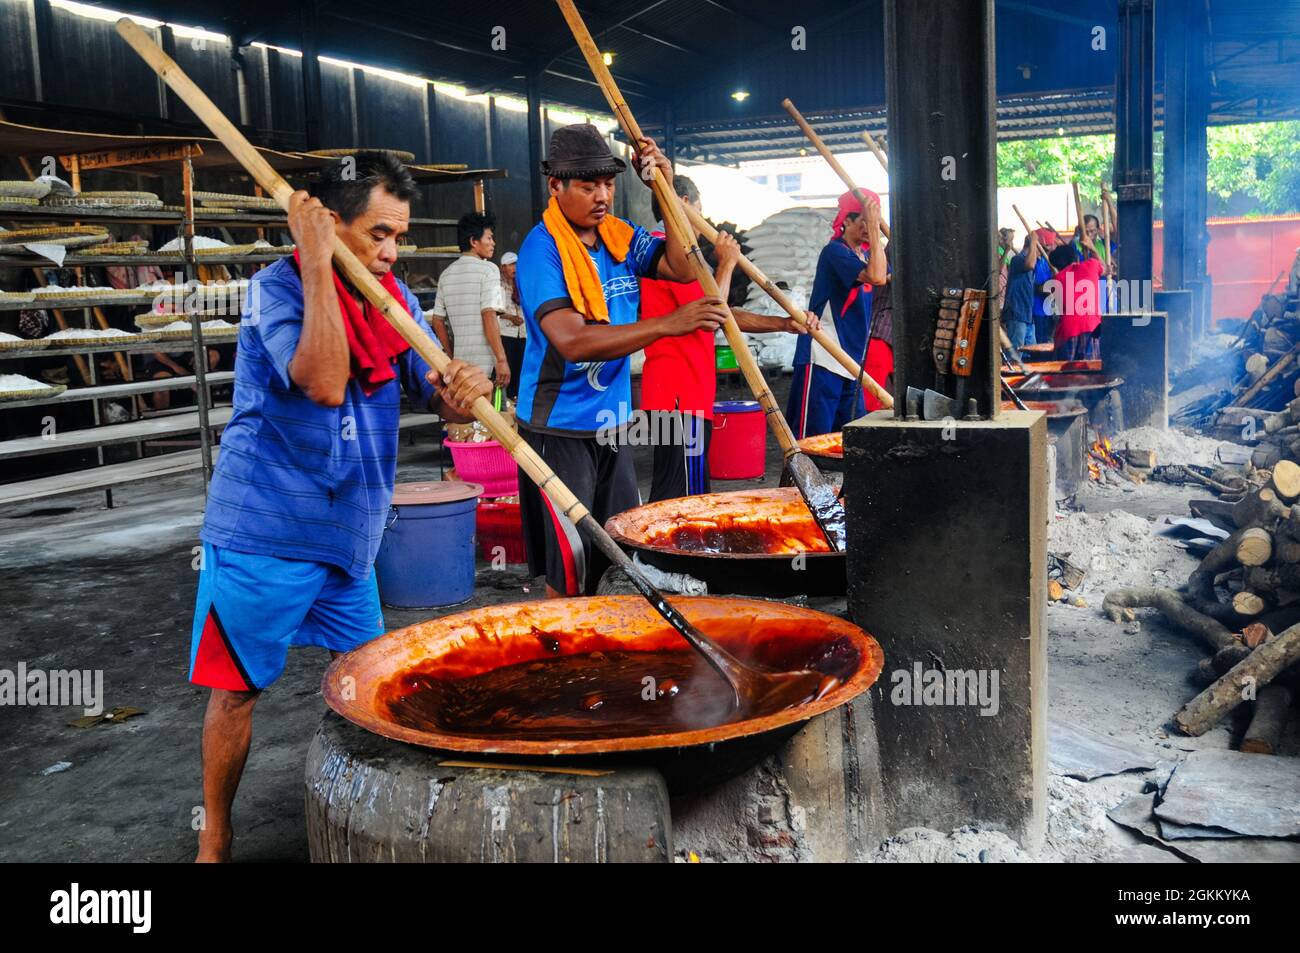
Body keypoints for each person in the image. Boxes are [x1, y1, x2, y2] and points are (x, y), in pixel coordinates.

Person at [189, 152, 491, 862]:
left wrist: (460, 388)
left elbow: (436, 397)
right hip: (265, 529)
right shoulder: (275, 289)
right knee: (237, 693)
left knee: (366, 684)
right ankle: (215, 835)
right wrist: (320, 263)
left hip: (350, 536)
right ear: (329, 225)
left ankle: (366, 819)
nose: (389, 252)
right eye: (376, 234)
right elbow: (323, 381)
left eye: (400, 237)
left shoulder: (396, 299)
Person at [514, 123, 725, 597]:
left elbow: (682, 266)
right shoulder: (540, 250)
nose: (601, 196)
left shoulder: (619, 237)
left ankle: (602, 642)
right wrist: (668, 324)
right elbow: (571, 340)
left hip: (611, 422)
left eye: (608, 184)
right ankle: (564, 656)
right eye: (588, 186)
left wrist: (664, 191)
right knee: (569, 566)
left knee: (619, 542)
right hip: (558, 428)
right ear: (556, 186)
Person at [639, 174, 817, 501]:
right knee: (682, 496)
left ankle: (660, 551)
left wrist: (782, 324)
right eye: (699, 209)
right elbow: (712, 315)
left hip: (682, 393)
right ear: (682, 205)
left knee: (679, 487)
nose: (702, 219)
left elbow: (726, 314)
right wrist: (727, 264)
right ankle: (665, 551)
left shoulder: (682, 256)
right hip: (678, 392)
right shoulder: (669, 255)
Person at [786, 189, 886, 438]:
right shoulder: (835, 252)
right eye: (862, 220)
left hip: (851, 362)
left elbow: (885, 272)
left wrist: (879, 228)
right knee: (812, 438)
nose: (867, 226)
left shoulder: (865, 255)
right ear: (846, 221)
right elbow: (876, 277)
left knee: (850, 438)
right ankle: (801, 479)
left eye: (870, 220)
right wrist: (875, 228)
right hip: (824, 354)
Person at [428, 211, 509, 391]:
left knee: (466, 417)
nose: (493, 243)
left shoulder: (446, 274)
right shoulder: (489, 270)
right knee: (494, 415)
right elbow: (489, 314)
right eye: (489, 238)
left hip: (460, 369)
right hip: (487, 368)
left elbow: (437, 321)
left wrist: (451, 355)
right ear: (474, 241)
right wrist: (501, 360)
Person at [497, 250, 525, 401]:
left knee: (521, 369)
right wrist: (510, 317)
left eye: (517, 264)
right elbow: (493, 311)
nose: (515, 268)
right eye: (511, 265)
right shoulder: (498, 285)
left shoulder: (521, 283)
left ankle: (517, 400)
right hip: (506, 333)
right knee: (509, 369)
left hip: (523, 333)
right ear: (503, 267)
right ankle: (504, 402)